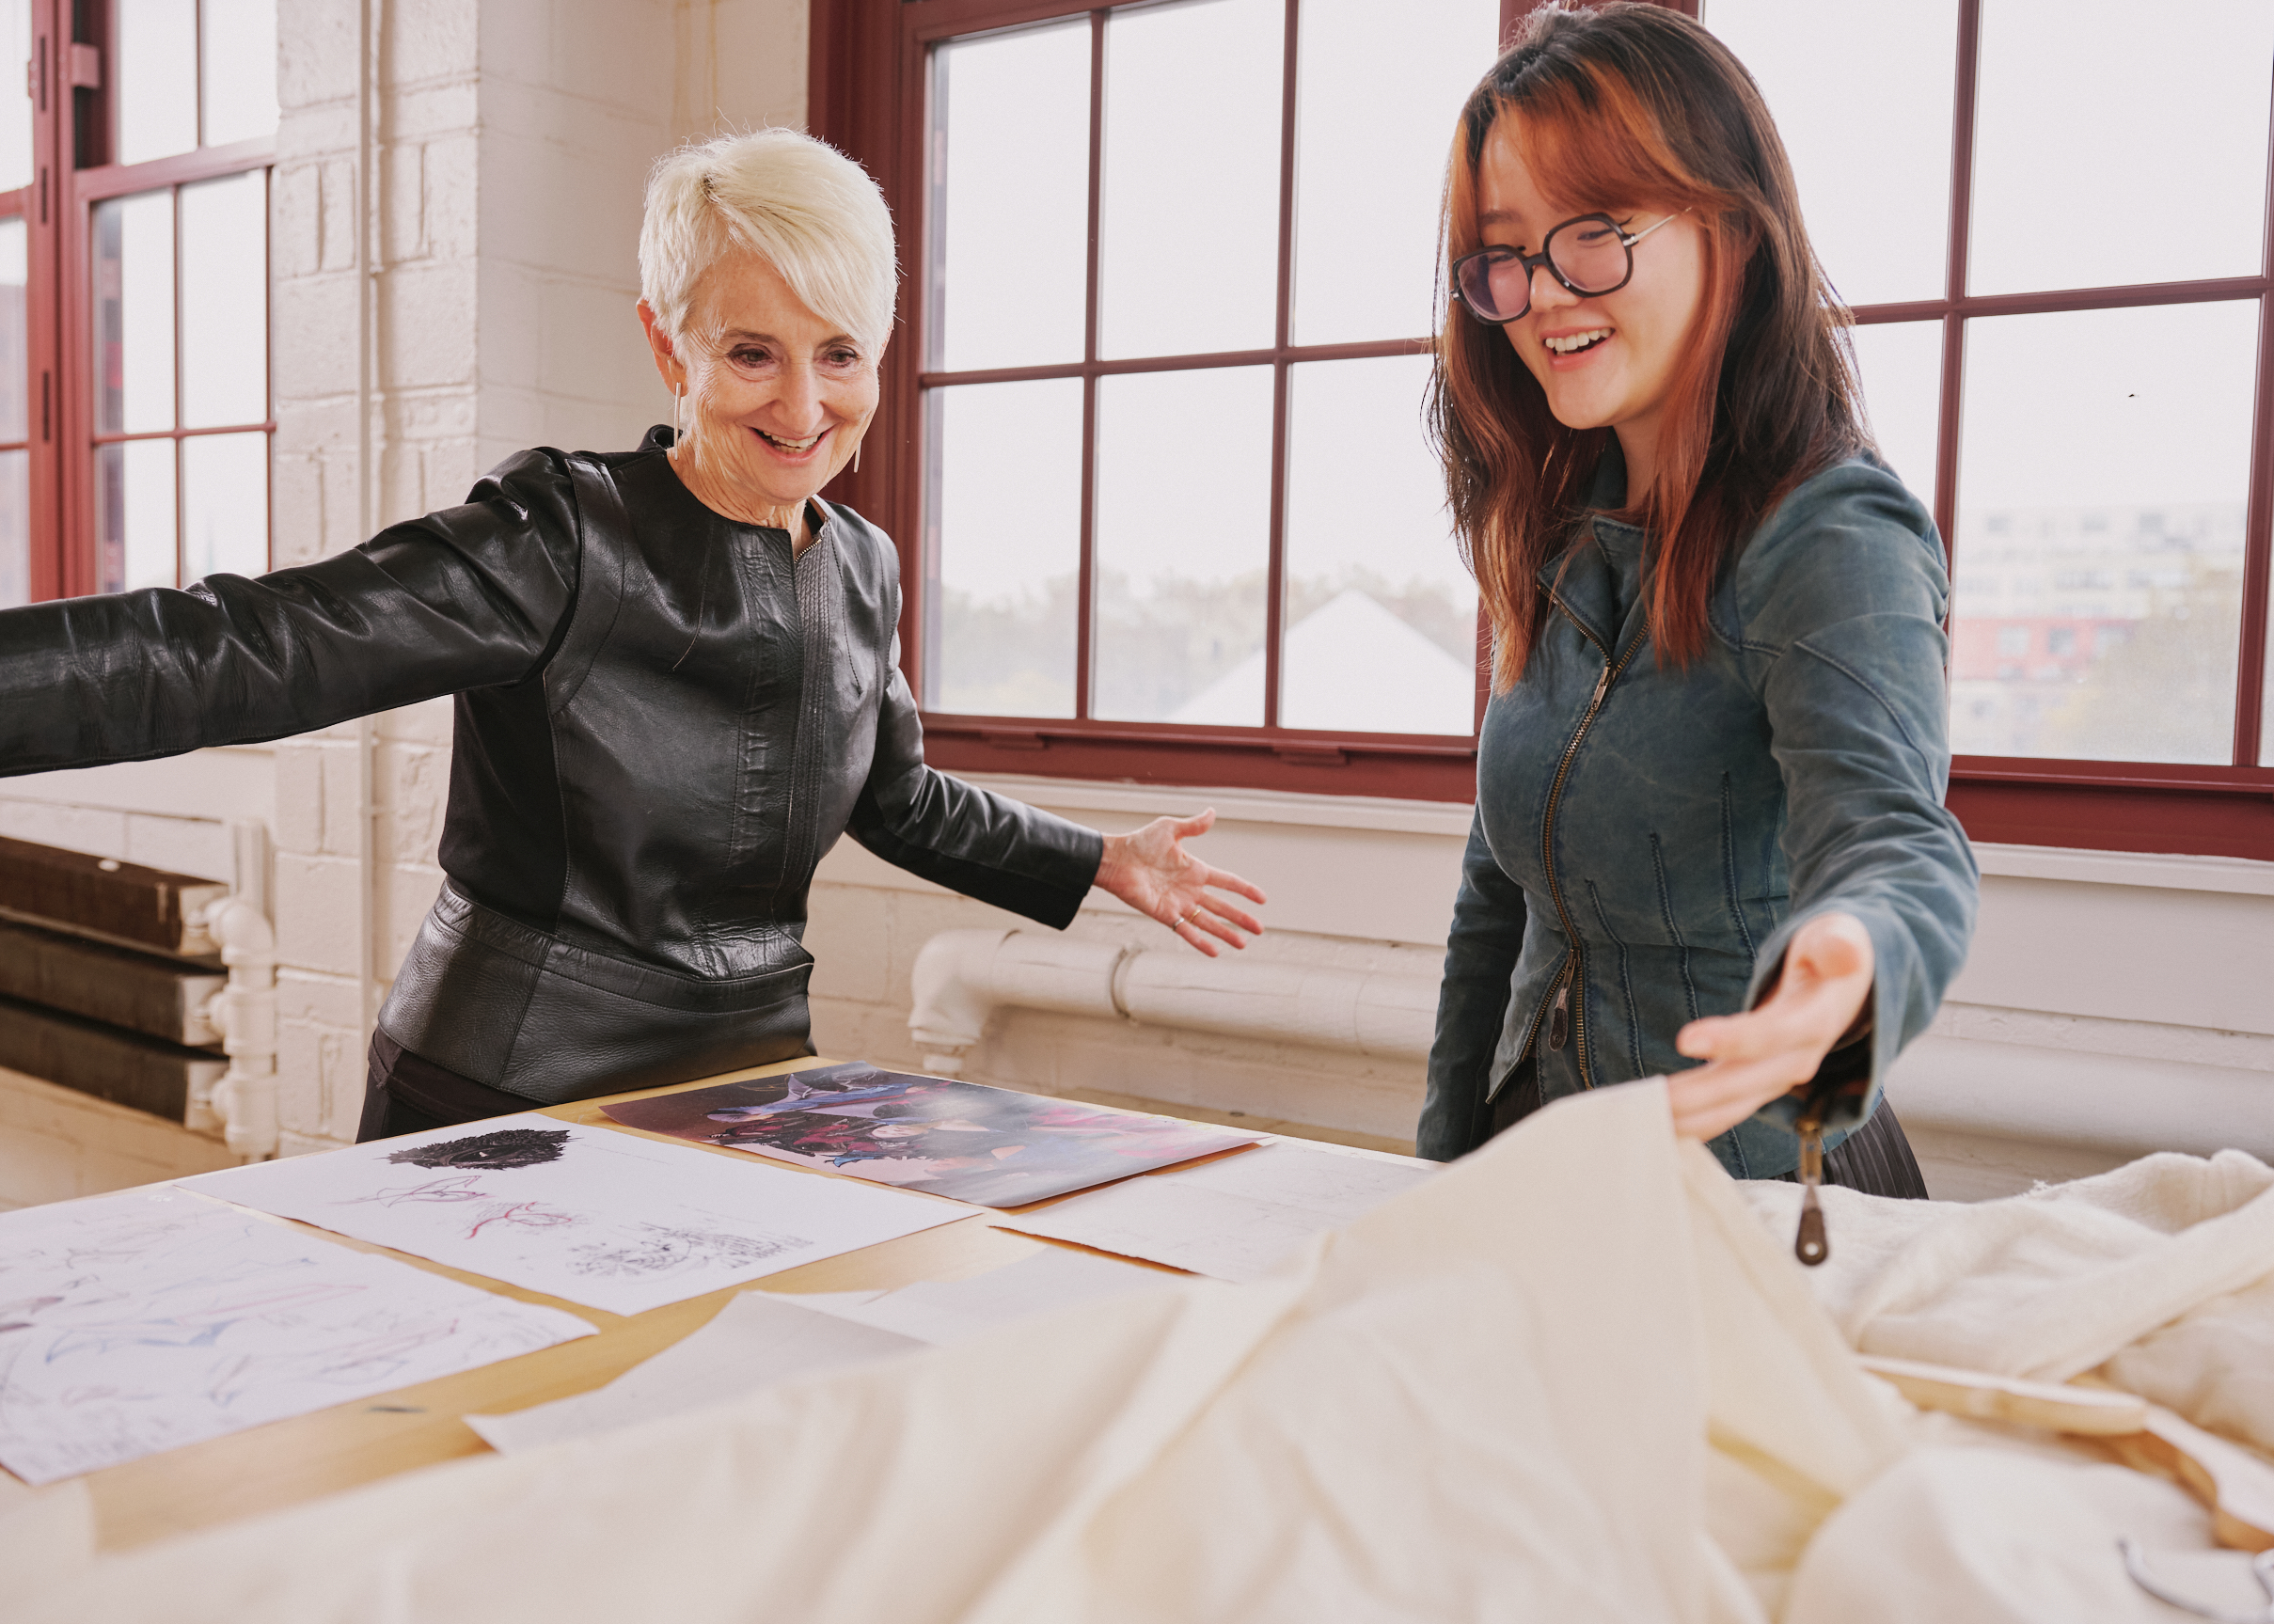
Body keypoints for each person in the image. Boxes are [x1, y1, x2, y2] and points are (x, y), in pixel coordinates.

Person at [0, 129, 1265, 1142]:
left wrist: (1098, 858)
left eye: (841, 354)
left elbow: (901, 801)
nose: (804, 403)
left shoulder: (862, 566)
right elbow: (252, 645)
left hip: (750, 1077)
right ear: (669, 340)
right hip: (507, 1087)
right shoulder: (560, 532)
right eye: (751, 352)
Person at [1419, 3, 1976, 1192]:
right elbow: (1495, 900)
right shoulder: (1562, 537)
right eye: (1509, 252)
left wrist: (1849, 960)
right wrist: (1433, 1169)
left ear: (1735, 225)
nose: (1545, 295)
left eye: (1599, 231)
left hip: (1759, 1195)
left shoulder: (1833, 531)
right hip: (1540, 1175)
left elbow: (1896, 845)